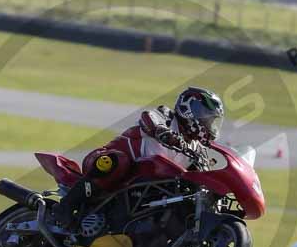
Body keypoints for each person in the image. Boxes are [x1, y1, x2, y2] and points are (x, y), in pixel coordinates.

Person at [52, 86, 225, 230]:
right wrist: (162, 132)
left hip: (142, 186)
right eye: (206, 117)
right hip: (105, 161)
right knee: (117, 162)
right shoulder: (166, 117)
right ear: (188, 109)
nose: (209, 124)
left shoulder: (196, 148)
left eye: (212, 120)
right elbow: (148, 117)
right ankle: (65, 206)